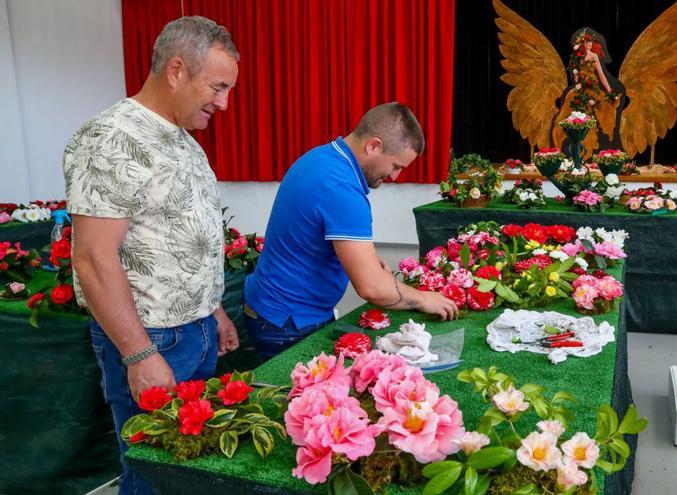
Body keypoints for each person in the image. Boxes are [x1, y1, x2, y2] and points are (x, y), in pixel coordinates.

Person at [63, 16, 240, 495]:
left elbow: (184, 234)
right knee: (151, 471)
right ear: (177, 71)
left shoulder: (184, 140)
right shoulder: (111, 137)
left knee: (185, 467)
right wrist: (139, 353)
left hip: (196, 330)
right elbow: (93, 258)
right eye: (217, 87)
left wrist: (214, 310)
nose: (223, 103)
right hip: (153, 339)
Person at [244, 102, 459, 359]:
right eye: (396, 166)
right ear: (373, 146)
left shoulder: (324, 158)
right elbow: (371, 288)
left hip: (270, 308)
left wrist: (366, 261)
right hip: (287, 321)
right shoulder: (342, 188)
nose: (395, 177)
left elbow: (318, 237)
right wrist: (423, 299)